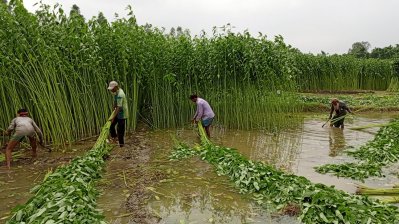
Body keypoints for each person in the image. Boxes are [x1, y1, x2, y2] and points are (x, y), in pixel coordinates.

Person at [107, 81, 128, 147]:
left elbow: (119, 107)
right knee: (111, 125)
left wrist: (113, 117)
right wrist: (113, 109)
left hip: (122, 113)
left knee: (120, 130)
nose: (111, 90)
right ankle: (115, 138)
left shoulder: (120, 94)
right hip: (118, 112)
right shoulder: (117, 91)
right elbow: (115, 102)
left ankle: (121, 145)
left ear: (116, 87)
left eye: (112, 88)